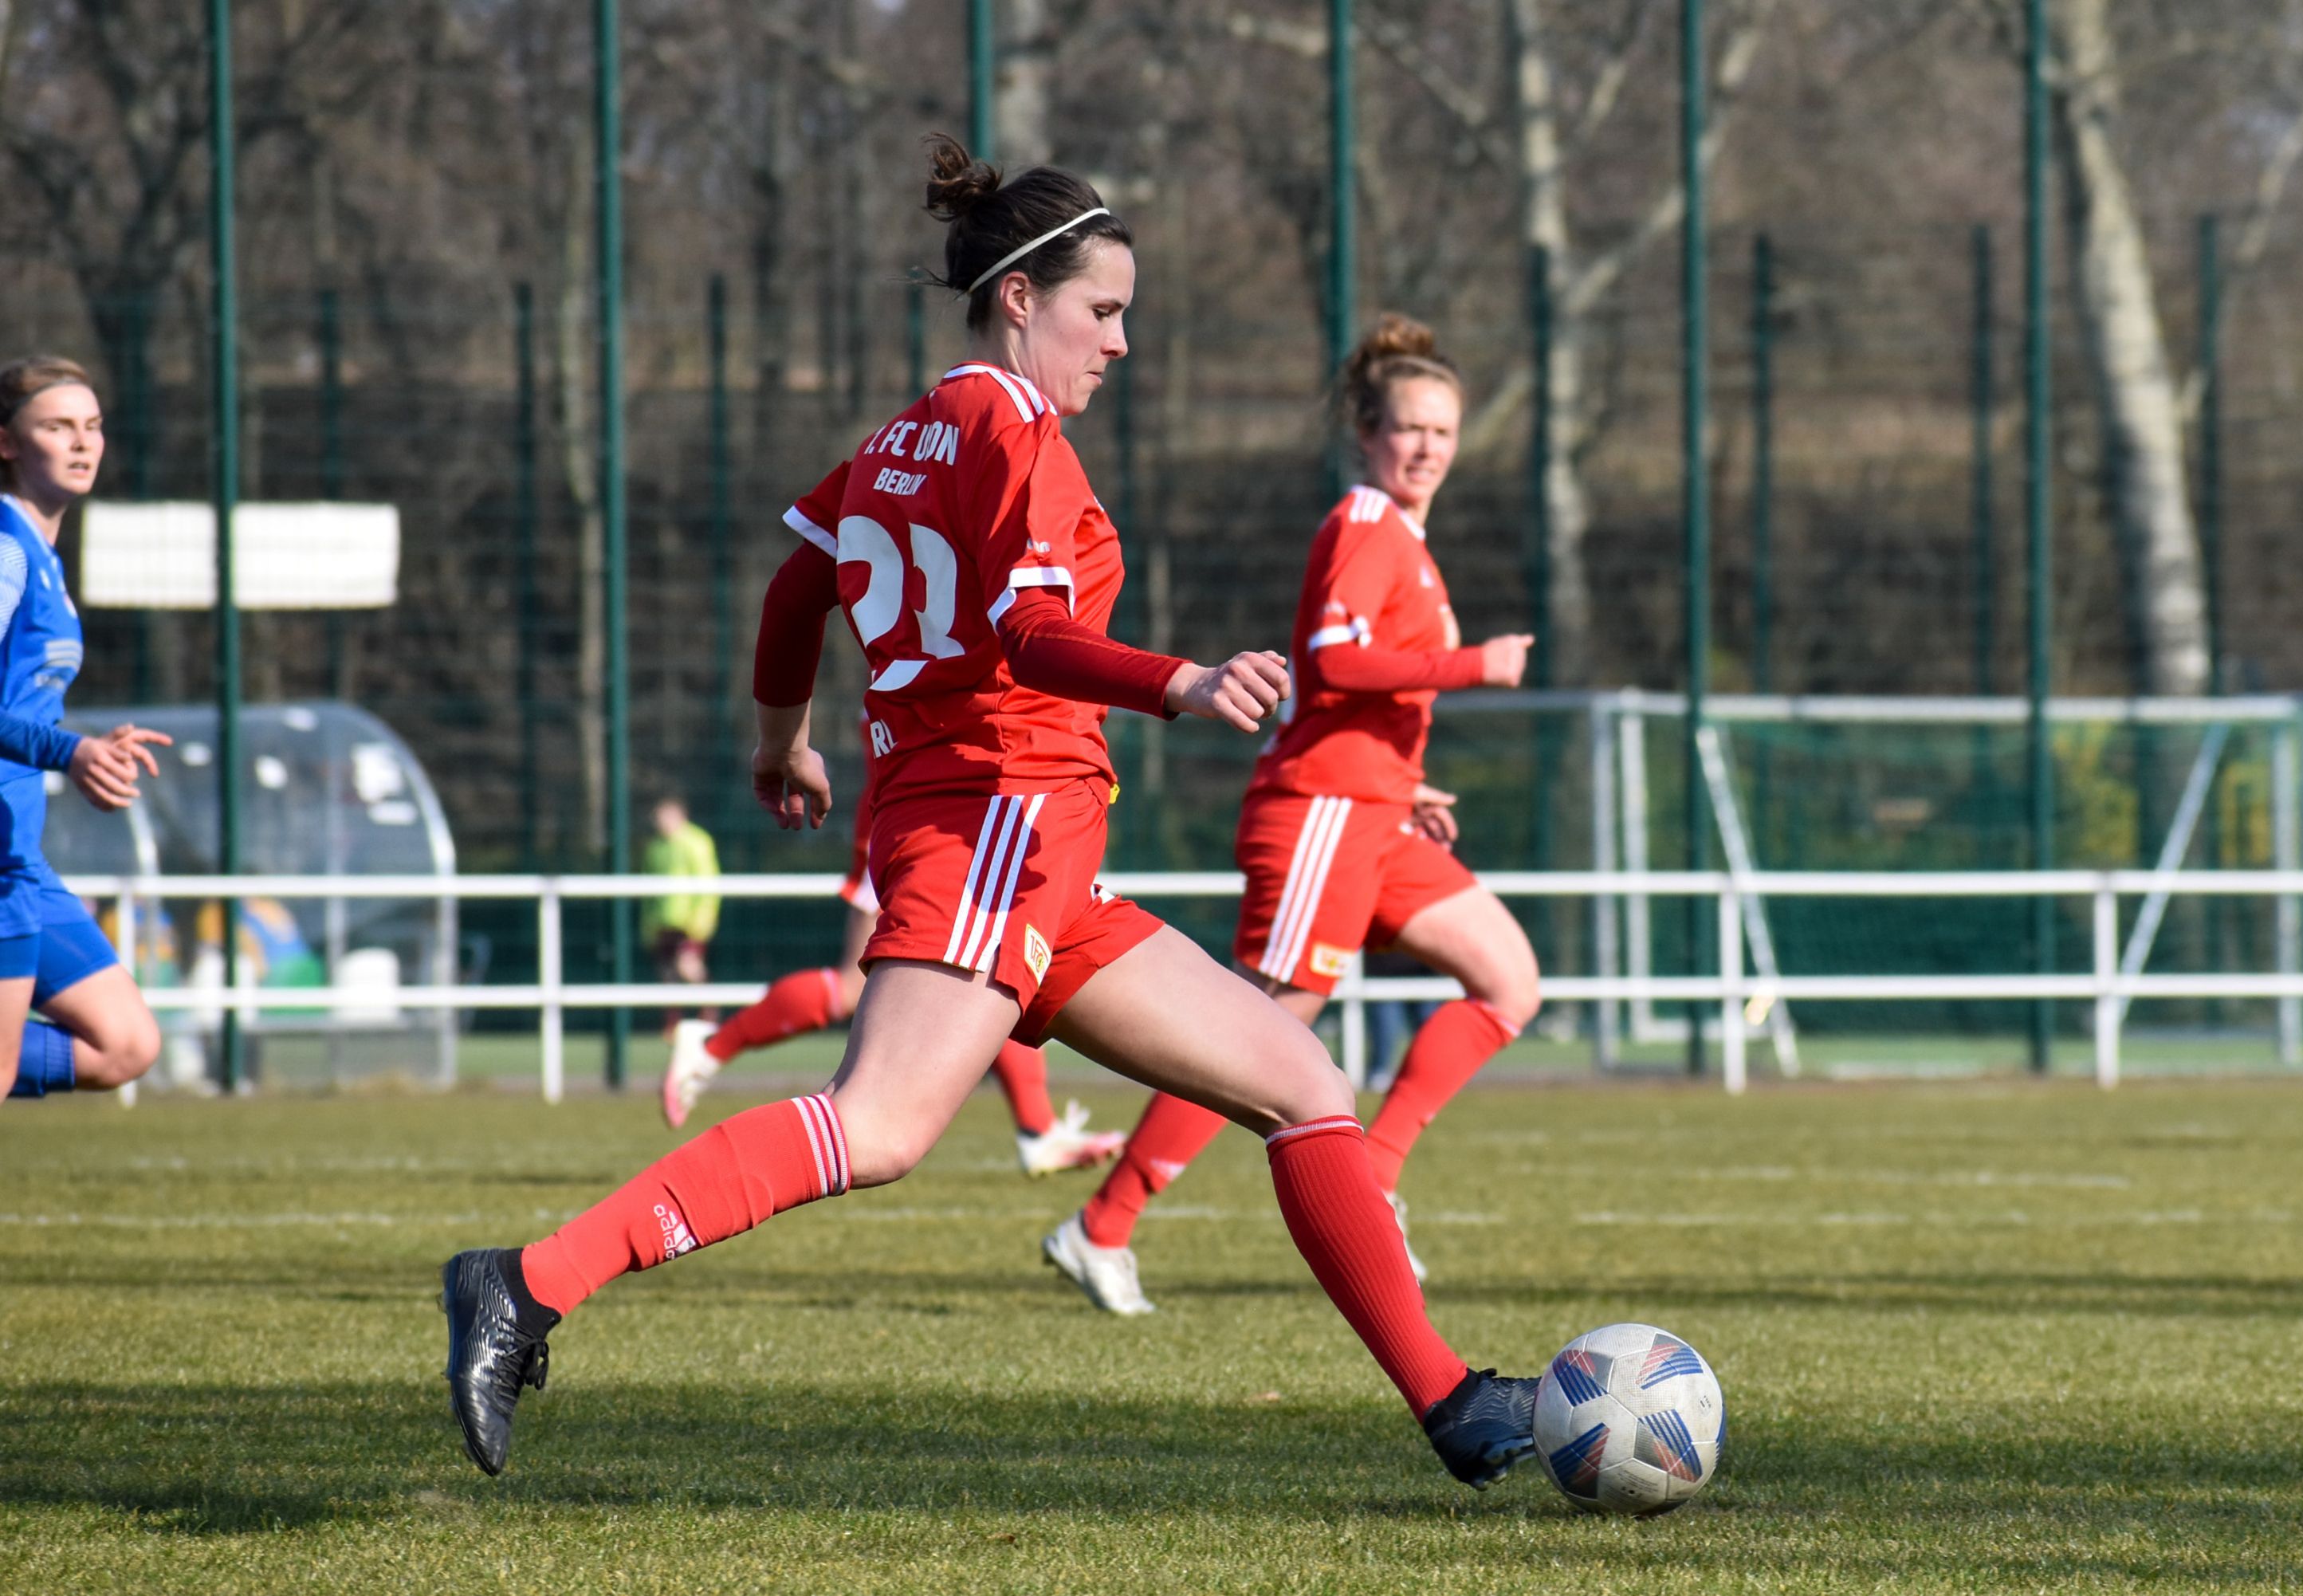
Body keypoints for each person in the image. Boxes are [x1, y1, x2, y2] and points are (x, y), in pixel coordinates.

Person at [442, 140, 1536, 1491]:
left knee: (1306, 1089)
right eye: (1105, 310)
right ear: (1020, 297)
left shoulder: (908, 432)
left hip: (1032, 853)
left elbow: (799, 592)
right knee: (881, 1127)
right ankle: (524, 1282)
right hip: (999, 822)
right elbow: (1028, 629)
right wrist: (1179, 679)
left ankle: (1454, 1405)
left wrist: (781, 744)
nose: (1122, 342)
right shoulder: (1014, 436)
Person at [1046, 316, 1540, 1312]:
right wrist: (1473, 665)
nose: (1429, 448)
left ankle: (1381, 1176)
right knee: (1259, 1036)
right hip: (1320, 813)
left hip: (1375, 813)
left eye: (1444, 431)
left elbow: (1358, 694)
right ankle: (1103, 1225)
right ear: (1368, 433)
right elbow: (1334, 663)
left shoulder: (1402, 537)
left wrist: (1409, 781)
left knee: (1509, 980)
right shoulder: (1364, 522)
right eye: (1410, 428)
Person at [660, 713, 1127, 1178]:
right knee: (863, 984)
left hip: (963, 804)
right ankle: (712, 1048)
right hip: (932, 809)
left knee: (996, 963)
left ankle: (1038, 1129)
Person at [0, 356, 168, 1100]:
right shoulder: (5, 552)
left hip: (17, 850)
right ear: (7, 443)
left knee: (124, 1043)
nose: (82, 442)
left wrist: (91, 748)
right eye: (57, 426)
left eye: (93, 426)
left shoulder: (42, 555)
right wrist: (70, 751)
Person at [641, 796, 721, 1032]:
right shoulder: (655, 847)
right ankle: (673, 1024)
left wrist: (701, 921)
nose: (660, 822)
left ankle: (709, 1016)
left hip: (690, 924)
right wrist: (648, 925)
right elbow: (648, 891)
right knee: (667, 975)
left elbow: (708, 885)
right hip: (663, 924)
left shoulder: (696, 842)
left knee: (688, 967)